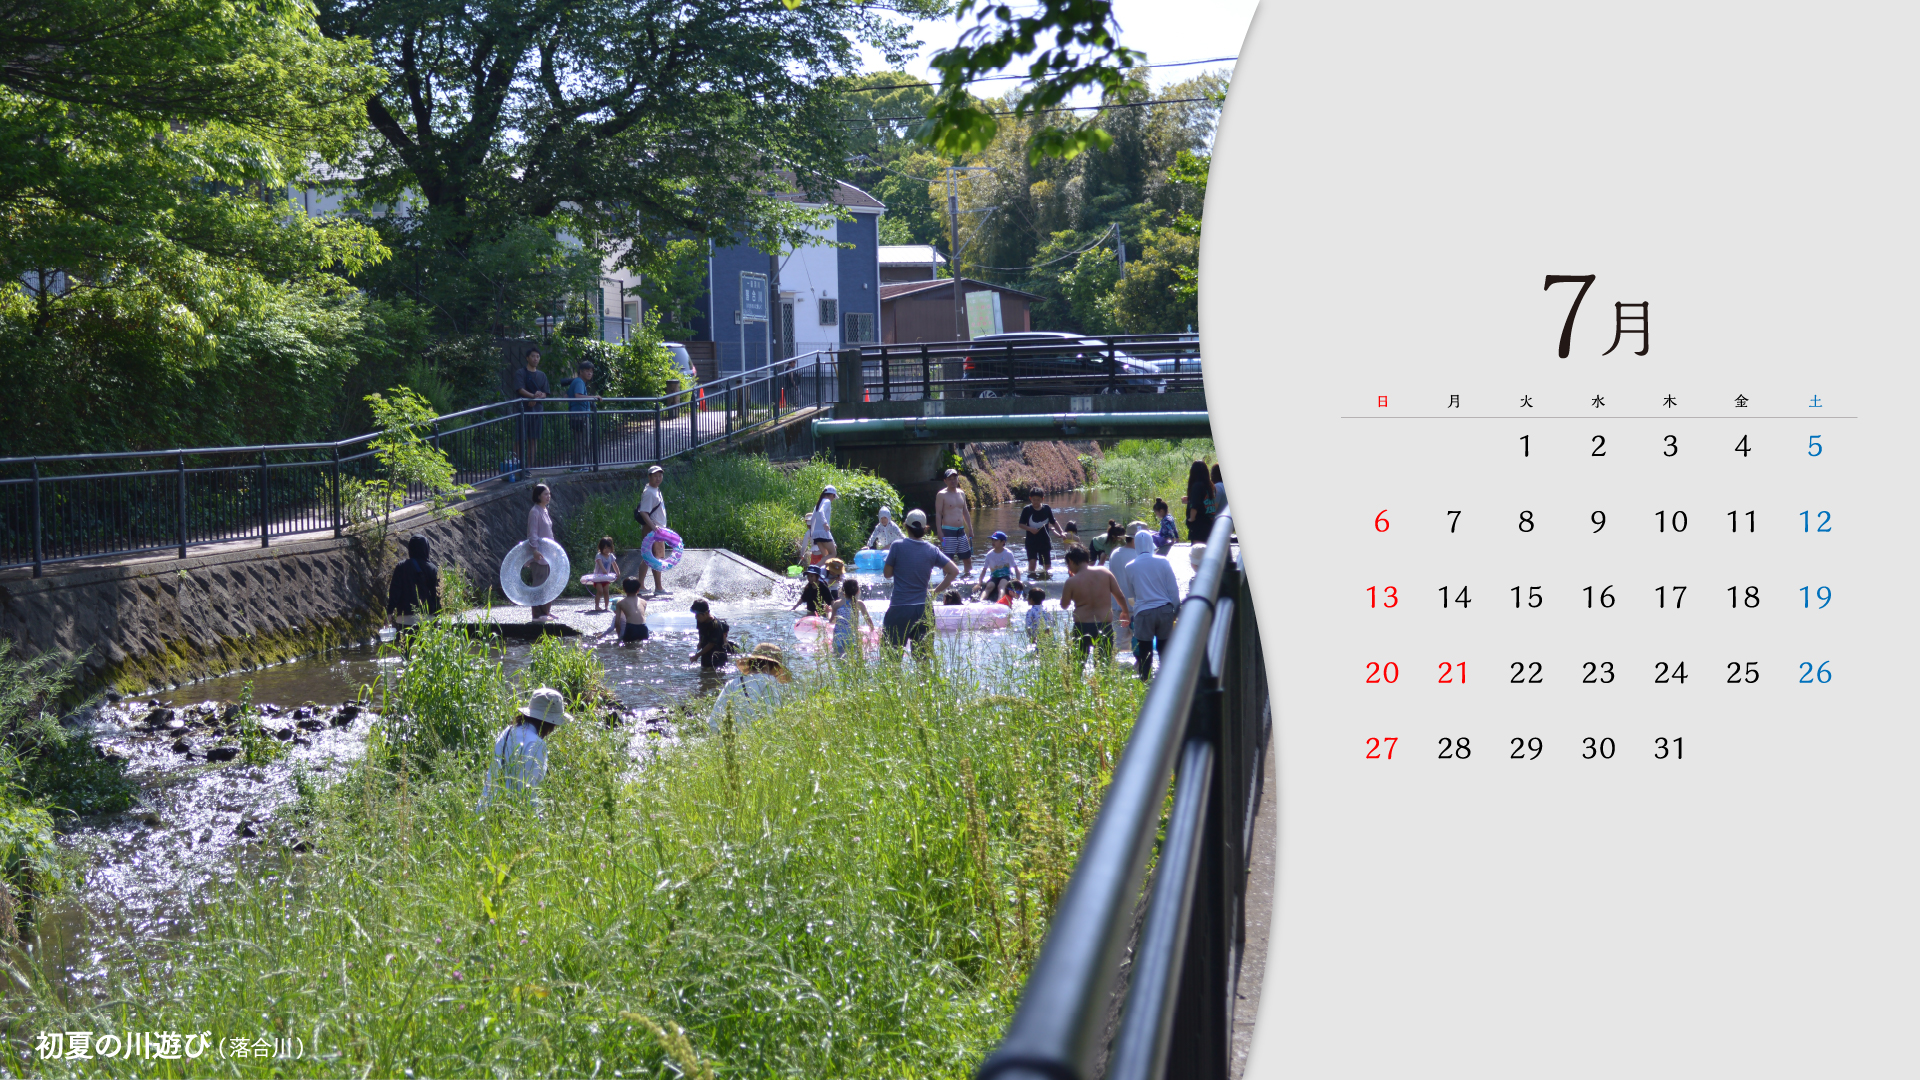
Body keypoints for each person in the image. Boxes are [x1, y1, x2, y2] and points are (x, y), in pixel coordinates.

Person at [882, 507, 959, 659]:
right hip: (924, 608)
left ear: (906, 526)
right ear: (925, 529)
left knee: (891, 659)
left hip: (900, 608)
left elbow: (887, 574)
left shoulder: (897, 546)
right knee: (923, 660)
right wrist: (935, 592)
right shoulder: (932, 550)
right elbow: (954, 571)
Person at [479, 688, 569, 808]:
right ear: (548, 723)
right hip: (513, 810)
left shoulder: (508, 731)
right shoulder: (537, 744)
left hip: (487, 806)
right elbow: (528, 788)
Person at [1125, 529, 1182, 680]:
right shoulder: (1163, 561)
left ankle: (1145, 682)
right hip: (1164, 610)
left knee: (1145, 653)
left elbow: (1133, 594)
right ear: (1152, 543)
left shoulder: (1129, 566)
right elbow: (1173, 589)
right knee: (1165, 650)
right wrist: (1176, 610)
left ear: (1136, 545)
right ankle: (1168, 682)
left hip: (1143, 612)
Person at [1059, 544, 1131, 663]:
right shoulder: (1104, 572)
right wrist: (1125, 612)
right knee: (1104, 665)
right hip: (1104, 625)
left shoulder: (1071, 581)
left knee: (1078, 664)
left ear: (1070, 561)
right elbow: (1119, 595)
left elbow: (1064, 605)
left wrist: (1069, 581)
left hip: (1082, 627)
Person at [708, 643, 792, 732]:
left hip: (732, 738)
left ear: (751, 663)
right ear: (769, 667)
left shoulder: (732, 684)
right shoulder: (771, 683)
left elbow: (713, 722)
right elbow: (773, 720)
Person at [386, 535, 441, 627]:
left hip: (404, 619)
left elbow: (395, 591)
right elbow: (438, 596)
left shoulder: (401, 567)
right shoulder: (432, 569)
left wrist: (389, 612)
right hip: (428, 619)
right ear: (426, 548)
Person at [513, 348, 551, 467]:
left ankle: (530, 466)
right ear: (527, 358)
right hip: (522, 411)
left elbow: (545, 393)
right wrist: (533, 396)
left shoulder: (542, 375)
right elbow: (520, 389)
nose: (536, 359)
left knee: (533, 439)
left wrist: (536, 398)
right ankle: (516, 465)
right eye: (533, 356)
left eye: (538, 356)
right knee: (519, 438)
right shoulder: (520, 373)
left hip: (537, 412)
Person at [636, 466, 669, 595]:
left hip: (657, 528)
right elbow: (643, 512)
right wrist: (654, 527)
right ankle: (656, 588)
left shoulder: (655, 490)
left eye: (660, 475)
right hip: (653, 528)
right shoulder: (649, 492)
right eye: (655, 476)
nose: (658, 478)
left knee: (652, 557)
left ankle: (648, 587)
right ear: (649, 476)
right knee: (653, 557)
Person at [527, 483, 558, 620]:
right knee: (539, 584)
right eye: (545, 494)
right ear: (538, 496)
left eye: (549, 494)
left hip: (548, 554)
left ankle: (546, 612)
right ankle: (537, 614)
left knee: (548, 584)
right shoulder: (535, 512)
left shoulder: (544, 510)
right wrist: (534, 550)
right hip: (539, 554)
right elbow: (532, 534)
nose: (548, 496)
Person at [934, 469, 973, 579]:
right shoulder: (941, 495)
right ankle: (947, 583)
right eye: (950, 479)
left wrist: (970, 529)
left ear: (957, 479)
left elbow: (965, 512)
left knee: (967, 559)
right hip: (948, 532)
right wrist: (939, 531)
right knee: (947, 561)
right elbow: (938, 514)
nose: (953, 481)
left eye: (954, 478)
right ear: (945, 481)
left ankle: (967, 580)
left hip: (961, 531)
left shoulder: (961, 493)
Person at [1018, 488, 1065, 578]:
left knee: (1047, 566)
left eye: (1038, 500)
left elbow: (1053, 522)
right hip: (1031, 542)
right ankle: (1031, 581)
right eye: (1033, 500)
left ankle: (1046, 581)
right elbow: (1021, 524)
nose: (1035, 502)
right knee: (1032, 563)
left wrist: (1061, 532)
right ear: (1030, 498)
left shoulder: (1046, 509)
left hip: (1044, 542)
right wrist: (1030, 529)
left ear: (1042, 499)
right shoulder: (1027, 509)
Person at [829, 577, 874, 656]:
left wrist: (828, 612)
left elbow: (832, 621)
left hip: (838, 637)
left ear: (843, 590)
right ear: (857, 591)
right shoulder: (859, 604)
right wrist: (872, 630)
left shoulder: (837, 604)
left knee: (838, 657)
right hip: (852, 636)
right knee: (852, 657)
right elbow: (869, 622)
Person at [566, 359, 598, 467]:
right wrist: (594, 397)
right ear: (581, 371)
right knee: (583, 442)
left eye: (591, 371)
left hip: (578, 416)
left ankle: (577, 466)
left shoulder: (578, 382)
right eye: (587, 371)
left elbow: (567, 395)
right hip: (580, 416)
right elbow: (578, 396)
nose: (589, 373)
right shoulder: (579, 382)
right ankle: (579, 466)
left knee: (580, 442)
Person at [689, 599, 733, 669]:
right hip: (705, 655)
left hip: (717, 657)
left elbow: (711, 644)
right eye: (695, 614)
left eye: (698, 615)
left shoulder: (715, 625)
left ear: (706, 613)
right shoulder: (700, 620)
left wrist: (697, 655)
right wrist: (700, 643)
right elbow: (700, 631)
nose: (696, 617)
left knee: (714, 673)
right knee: (704, 672)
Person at [608, 576, 650, 645]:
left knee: (628, 647)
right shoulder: (644, 602)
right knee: (643, 646)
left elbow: (617, 623)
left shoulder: (620, 603)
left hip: (631, 628)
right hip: (643, 628)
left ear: (624, 589)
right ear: (638, 590)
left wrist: (619, 637)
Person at [1184, 460, 1215, 543]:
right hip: (1210, 525)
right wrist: (1189, 499)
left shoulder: (1197, 486)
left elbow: (1195, 506)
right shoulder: (1210, 486)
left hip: (1199, 527)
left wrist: (1191, 519)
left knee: (1198, 550)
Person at [808, 484, 839, 562]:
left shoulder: (819, 503)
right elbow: (821, 511)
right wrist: (825, 523)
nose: (833, 499)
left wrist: (812, 533)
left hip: (816, 533)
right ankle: (815, 568)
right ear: (831, 495)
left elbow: (813, 519)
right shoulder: (827, 501)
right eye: (834, 497)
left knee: (826, 556)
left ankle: (819, 569)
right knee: (833, 553)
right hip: (822, 533)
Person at [589, 536, 619, 612]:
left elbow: (614, 564)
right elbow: (600, 563)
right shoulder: (599, 555)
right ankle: (597, 606)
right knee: (600, 590)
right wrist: (603, 569)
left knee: (606, 591)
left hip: (606, 578)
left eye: (608, 548)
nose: (607, 550)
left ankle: (606, 606)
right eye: (605, 548)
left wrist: (618, 573)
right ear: (601, 548)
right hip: (598, 577)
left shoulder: (611, 556)